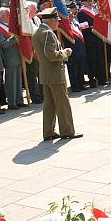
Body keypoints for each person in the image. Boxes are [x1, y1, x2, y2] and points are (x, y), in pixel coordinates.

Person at [32, 7, 81, 141]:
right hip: (54, 74)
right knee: (62, 103)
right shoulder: (48, 33)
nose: (58, 22)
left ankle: (48, 132)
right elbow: (52, 55)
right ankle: (67, 131)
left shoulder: (38, 32)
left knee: (49, 105)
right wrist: (65, 52)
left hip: (45, 74)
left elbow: (38, 55)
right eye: (56, 20)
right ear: (51, 20)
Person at [0, 8, 26, 109]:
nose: (11, 17)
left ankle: (19, 100)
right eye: (8, 15)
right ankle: (12, 102)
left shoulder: (11, 26)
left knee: (19, 80)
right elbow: (3, 44)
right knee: (11, 81)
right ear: (2, 16)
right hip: (10, 57)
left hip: (18, 55)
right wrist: (14, 37)